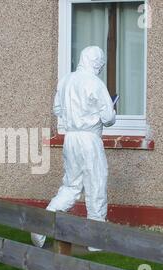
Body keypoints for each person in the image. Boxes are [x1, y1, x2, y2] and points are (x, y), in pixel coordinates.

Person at [31, 46, 116, 251]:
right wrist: (108, 111)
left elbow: (57, 109)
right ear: (96, 62)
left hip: (71, 138)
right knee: (95, 183)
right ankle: (95, 241)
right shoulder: (95, 83)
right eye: (101, 64)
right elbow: (108, 118)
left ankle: (44, 222)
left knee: (71, 185)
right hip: (89, 138)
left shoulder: (66, 80)